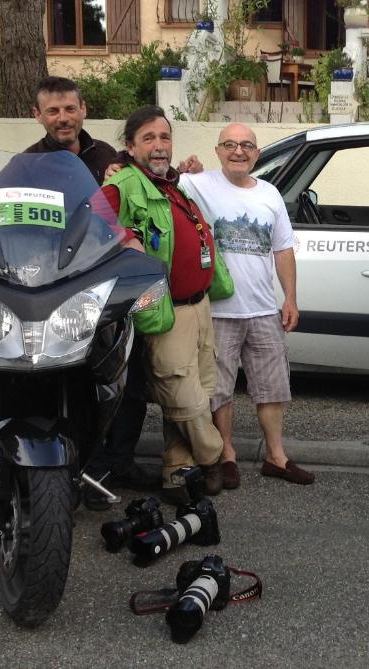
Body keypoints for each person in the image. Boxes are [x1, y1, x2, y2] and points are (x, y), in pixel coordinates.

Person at [24, 76, 156, 500]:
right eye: (53, 110)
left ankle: (121, 462)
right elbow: (4, 219)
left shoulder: (112, 158)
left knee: (127, 375)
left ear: (83, 110)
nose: (63, 118)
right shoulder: (26, 164)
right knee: (71, 378)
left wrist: (187, 170)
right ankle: (77, 468)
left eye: (70, 109)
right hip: (57, 287)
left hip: (111, 283)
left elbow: (157, 183)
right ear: (38, 115)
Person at [177, 123, 313, 489]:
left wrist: (290, 298)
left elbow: (283, 249)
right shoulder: (197, 183)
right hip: (219, 310)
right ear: (218, 151)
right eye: (231, 145)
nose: (239, 151)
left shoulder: (269, 194)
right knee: (219, 390)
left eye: (247, 145)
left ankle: (276, 456)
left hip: (263, 310)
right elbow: (162, 185)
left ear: (256, 152)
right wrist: (184, 167)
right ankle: (227, 455)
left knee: (272, 387)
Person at [101, 106, 225, 503]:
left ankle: (177, 475)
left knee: (201, 391)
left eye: (164, 137)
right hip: (165, 310)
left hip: (199, 305)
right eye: (149, 138)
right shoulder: (122, 183)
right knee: (181, 394)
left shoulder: (171, 183)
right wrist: (124, 238)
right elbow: (89, 222)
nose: (159, 145)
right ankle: (214, 456)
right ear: (130, 146)